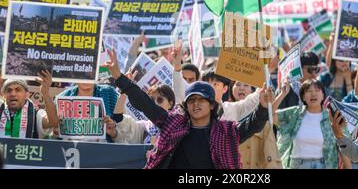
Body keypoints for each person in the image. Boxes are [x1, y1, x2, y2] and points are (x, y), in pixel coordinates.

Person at [101, 49, 273, 169]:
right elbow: (145, 103)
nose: (196, 104)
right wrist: (118, 76)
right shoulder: (172, 124)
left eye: (201, 100)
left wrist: (263, 106)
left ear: (212, 105)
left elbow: (253, 124)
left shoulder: (226, 131)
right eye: (192, 100)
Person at [274, 79, 343, 169]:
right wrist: (282, 94)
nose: (313, 94)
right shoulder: (295, 113)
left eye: (317, 90)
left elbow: (344, 142)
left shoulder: (331, 117)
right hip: (297, 165)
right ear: (303, 97)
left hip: (324, 165)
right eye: (309, 91)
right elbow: (268, 115)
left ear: (323, 96)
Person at [231, 81, 282, 169]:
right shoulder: (223, 116)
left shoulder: (262, 119)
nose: (241, 88)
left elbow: (271, 153)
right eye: (238, 84)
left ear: (253, 91)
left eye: (246, 84)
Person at [107, 84, 175, 145]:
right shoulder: (145, 126)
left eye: (160, 100)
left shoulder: (177, 127)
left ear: (170, 104)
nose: (155, 103)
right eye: (152, 100)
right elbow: (118, 117)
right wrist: (125, 90)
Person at [0, 71, 58, 139]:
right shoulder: (1, 108)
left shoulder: (36, 114)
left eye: (18, 90)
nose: (13, 94)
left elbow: (52, 122)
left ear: (27, 95)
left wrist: (45, 92)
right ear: (3, 95)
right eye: (9, 90)